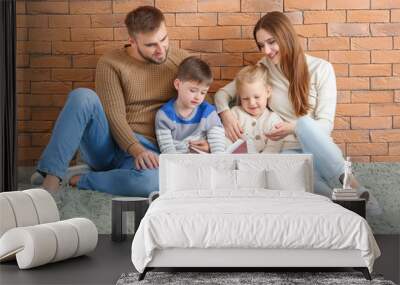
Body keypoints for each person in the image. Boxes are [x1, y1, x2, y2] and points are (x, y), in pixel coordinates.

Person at [214, 11, 382, 215]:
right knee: (307, 183)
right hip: (288, 150)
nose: (266, 50)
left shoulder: (322, 69)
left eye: (271, 42)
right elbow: (222, 94)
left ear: (286, 36)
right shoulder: (264, 68)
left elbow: (325, 125)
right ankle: (345, 208)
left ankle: (354, 186)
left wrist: (294, 127)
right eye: (261, 45)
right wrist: (226, 114)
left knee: (303, 123)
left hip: (319, 149)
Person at [30, 6, 202, 197]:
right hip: (109, 145)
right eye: (151, 45)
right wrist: (136, 150)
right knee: (82, 97)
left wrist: (219, 122)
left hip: (154, 150)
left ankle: (79, 178)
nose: (161, 50)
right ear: (133, 41)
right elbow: (114, 116)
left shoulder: (182, 61)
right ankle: (50, 182)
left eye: (164, 39)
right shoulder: (110, 63)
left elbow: (203, 101)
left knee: (152, 182)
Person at [155, 56, 225, 154]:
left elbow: (218, 146)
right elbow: (167, 150)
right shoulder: (165, 115)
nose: (198, 97)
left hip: (204, 161)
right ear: (178, 85)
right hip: (177, 163)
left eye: (203, 92)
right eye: (193, 90)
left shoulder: (208, 112)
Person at [228, 63, 284, 154]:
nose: (252, 103)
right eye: (245, 98)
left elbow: (273, 147)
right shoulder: (235, 114)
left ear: (268, 92)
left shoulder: (273, 120)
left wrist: (260, 162)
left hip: (264, 163)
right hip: (238, 161)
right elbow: (226, 139)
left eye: (257, 97)